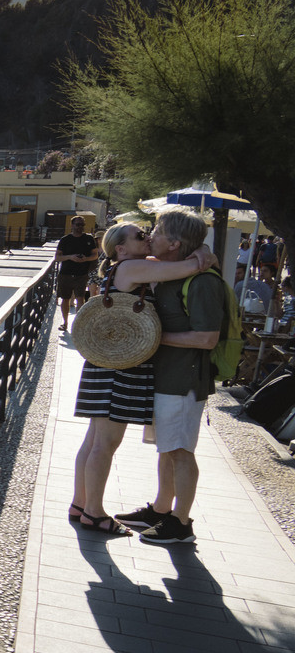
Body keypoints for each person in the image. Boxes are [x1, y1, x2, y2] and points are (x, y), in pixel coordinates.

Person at [69, 223, 212, 535]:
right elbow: (188, 267)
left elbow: (177, 264)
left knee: (94, 439)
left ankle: (80, 503)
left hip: (107, 357)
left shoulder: (130, 266)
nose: (146, 238)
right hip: (122, 364)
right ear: (121, 248)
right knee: (106, 443)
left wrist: (200, 250)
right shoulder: (132, 268)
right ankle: (94, 512)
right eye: (139, 236)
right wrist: (202, 252)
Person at [114, 207, 225, 545]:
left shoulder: (203, 281)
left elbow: (207, 338)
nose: (152, 237)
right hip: (167, 378)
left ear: (175, 243)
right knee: (166, 448)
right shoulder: (173, 271)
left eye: (158, 231)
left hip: (184, 380)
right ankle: (162, 509)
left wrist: (153, 337)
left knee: (179, 450)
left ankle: (181, 522)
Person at [55, 216, 98, 332]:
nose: (80, 227)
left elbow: (95, 255)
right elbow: (57, 257)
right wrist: (70, 257)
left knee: (80, 298)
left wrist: (86, 259)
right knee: (65, 299)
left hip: (82, 273)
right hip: (66, 273)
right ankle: (65, 323)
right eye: (78, 224)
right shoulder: (65, 240)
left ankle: (78, 324)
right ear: (72, 225)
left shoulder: (88, 239)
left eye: (82, 225)